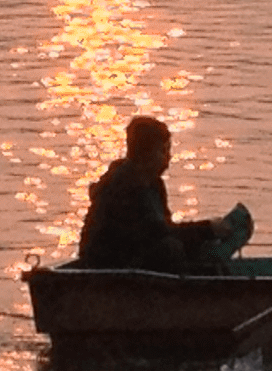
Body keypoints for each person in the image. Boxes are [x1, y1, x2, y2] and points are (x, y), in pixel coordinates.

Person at [75, 116, 252, 273]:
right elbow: (157, 233)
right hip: (108, 265)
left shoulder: (155, 184)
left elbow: (166, 228)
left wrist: (208, 233)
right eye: (163, 151)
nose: (169, 157)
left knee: (190, 245)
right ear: (145, 154)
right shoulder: (123, 186)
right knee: (171, 248)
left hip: (138, 253)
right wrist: (207, 229)